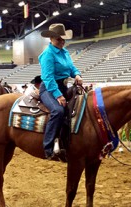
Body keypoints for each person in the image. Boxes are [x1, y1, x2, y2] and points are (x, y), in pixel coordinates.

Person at [38, 23, 83, 159]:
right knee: (58, 111)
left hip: (64, 86)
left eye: (63, 39)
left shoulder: (65, 52)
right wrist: (58, 95)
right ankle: (48, 147)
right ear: (51, 38)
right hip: (49, 88)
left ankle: (67, 142)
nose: (62, 41)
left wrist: (76, 74)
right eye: (59, 39)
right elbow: (48, 78)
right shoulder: (47, 54)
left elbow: (71, 67)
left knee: (80, 106)